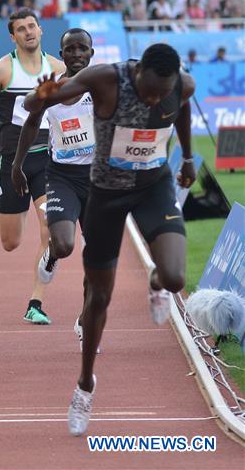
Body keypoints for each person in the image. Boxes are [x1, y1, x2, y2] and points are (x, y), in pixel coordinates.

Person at [24, 43, 196, 436]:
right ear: (139, 73)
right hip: (106, 193)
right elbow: (39, 103)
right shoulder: (106, 79)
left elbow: (182, 108)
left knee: (174, 277)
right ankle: (85, 384)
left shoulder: (181, 85)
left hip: (153, 187)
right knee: (99, 297)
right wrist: (41, 95)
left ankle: (157, 281)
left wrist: (187, 157)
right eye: (149, 92)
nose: (154, 100)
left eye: (162, 94)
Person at [0, 8, 66, 325]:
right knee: (10, 242)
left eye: (32, 26)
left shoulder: (58, 68)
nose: (28, 32)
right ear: (13, 36)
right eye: (21, 29)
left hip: (48, 159)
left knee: (51, 228)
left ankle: (36, 302)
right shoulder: (1, 70)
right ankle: (19, 208)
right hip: (12, 161)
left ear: (41, 29)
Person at [11, 28, 99, 351]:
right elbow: (31, 118)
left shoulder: (102, 86)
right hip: (63, 176)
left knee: (97, 259)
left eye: (82, 48)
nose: (76, 54)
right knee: (64, 244)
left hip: (98, 180)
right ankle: (52, 254)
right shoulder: (54, 88)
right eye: (70, 49)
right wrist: (17, 165)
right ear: (61, 55)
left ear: (91, 53)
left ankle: (86, 322)